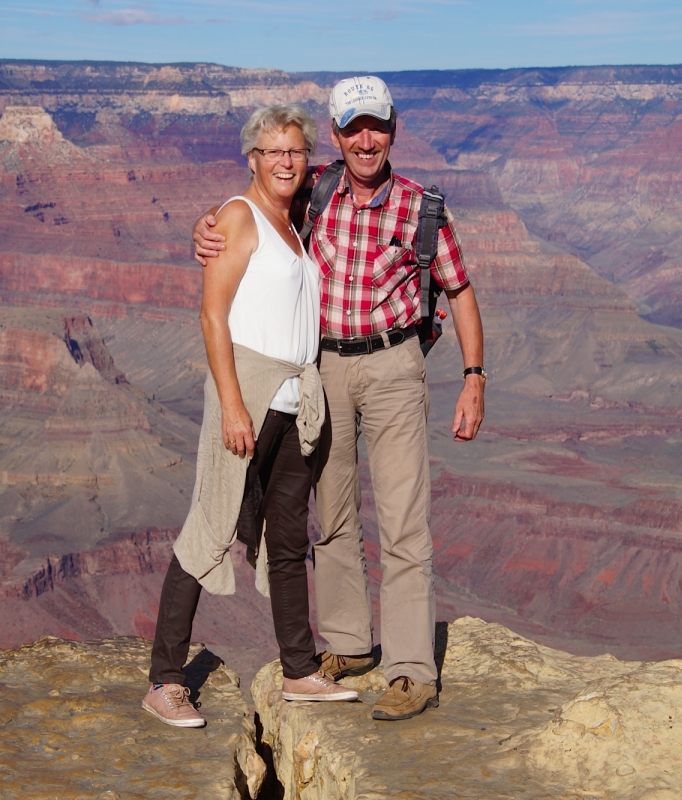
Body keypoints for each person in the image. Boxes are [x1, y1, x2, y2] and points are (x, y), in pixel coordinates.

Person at [194, 76, 486, 721]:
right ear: (336, 133)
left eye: (375, 127)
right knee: (334, 512)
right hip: (322, 367)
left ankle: (412, 669)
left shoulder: (423, 208)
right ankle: (351, 645)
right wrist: (205, 227)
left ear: (392, 129)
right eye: (352, 128)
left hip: (394, 365)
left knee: (406, 519)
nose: (365, 140)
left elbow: (459, 291)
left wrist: (473, 377)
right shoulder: (314, 190)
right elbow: (251, 213)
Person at [144, 104, 359, 728]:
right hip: (249, 392)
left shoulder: (295, 224)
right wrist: (233, 403)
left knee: (287, 538)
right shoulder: (238, 218)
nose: (286, 161)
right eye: (273, 151)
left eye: (295, 150)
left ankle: (299, 671)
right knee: (210, 525)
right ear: (253, 159)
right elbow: (213, 315)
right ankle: (164, 680)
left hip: (296, 400)